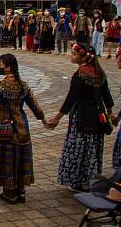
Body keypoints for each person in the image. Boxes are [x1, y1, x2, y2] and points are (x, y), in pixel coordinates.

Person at [0, 54, 46, 204]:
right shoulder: (23, 85)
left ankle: (10, 194)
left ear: (8, 67)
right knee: (22, 160)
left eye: (1, 65)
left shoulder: (0, 86)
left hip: (7, 130)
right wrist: (45, 121)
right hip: (23, 128)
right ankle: (21, 192)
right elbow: (35, 107)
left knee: (9, 161)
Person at [46, 44, 114, 192]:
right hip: (98, 115)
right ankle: (90, 178)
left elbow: (72, 97)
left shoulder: (81, 74)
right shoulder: (99, 72)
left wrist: (57, 117)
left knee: (79, 146)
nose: (72, 56)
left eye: (74, 54)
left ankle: (77, 180)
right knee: (93, 147)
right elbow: (106, 95)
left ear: (83, 56)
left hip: (82, 115)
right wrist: (110, 113)